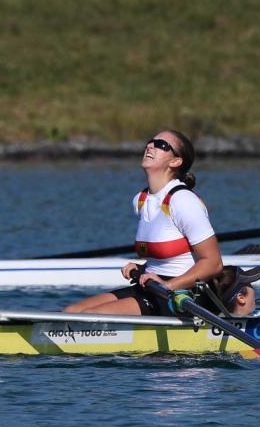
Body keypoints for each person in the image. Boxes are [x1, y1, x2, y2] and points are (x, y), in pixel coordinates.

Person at [65, 131, 221, 316]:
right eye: (150, 142)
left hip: (184, 294)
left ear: (175, 162)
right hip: (152, 286)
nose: (150, 146)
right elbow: (164, 258)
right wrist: (142, 268)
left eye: (161, 145)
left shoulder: (183, 201)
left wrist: (168, 285)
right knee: (71, 311)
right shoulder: (141, 200)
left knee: (90, 317)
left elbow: (213, 263)